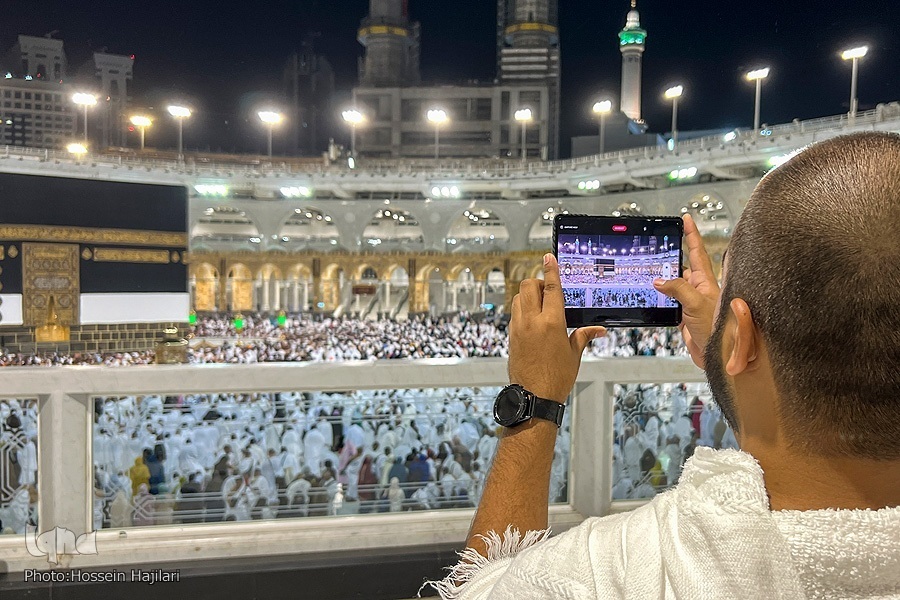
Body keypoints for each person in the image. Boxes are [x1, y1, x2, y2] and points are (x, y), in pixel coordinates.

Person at [429, 133, 900, 599]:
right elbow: (803, 432)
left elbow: (477, 589)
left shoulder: (604, 573)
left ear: (740, 338)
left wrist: (534, 398)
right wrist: (726, 353)